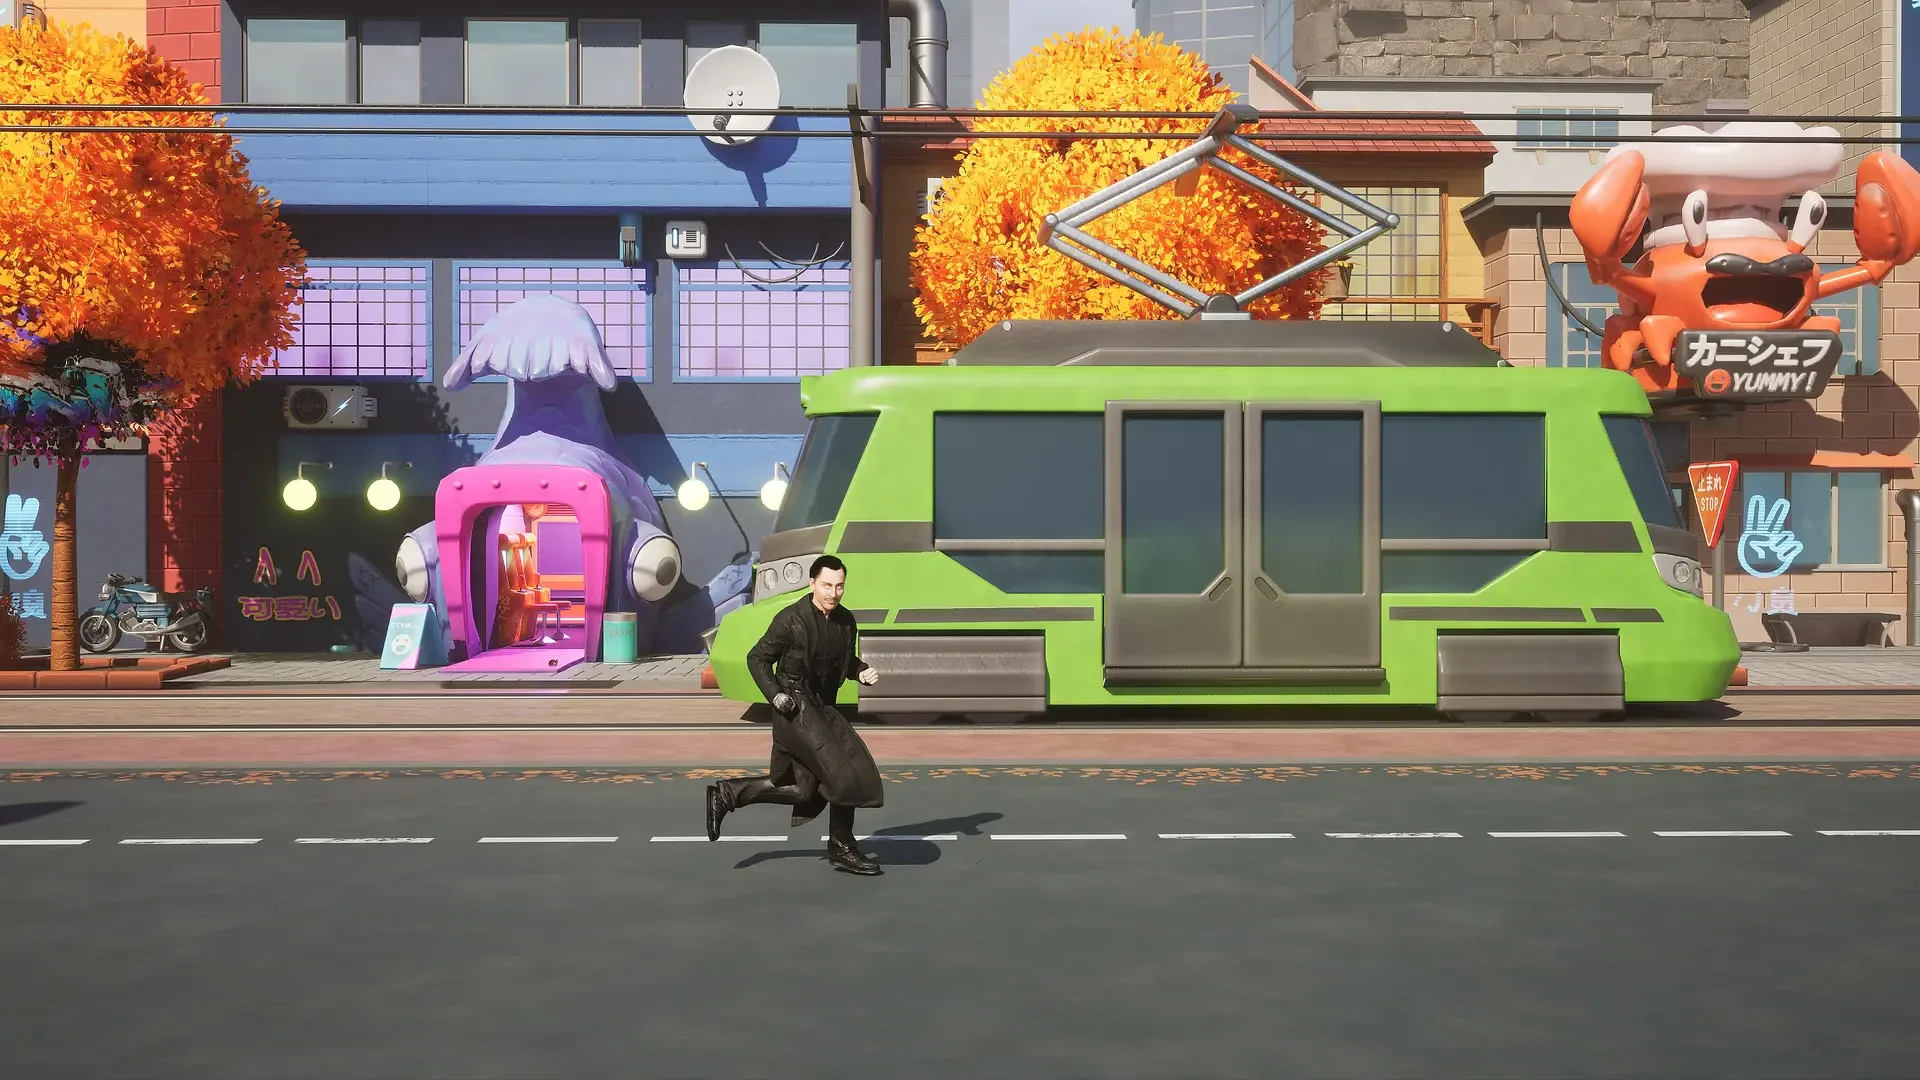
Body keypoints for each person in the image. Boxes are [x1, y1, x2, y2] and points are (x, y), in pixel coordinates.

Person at [706, 555, 886, 875]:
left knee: (803, 790)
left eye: (839, 586)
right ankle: (842, 845)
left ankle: (728, 794)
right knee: (844, 771)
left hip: (823, 709)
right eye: (827, 585)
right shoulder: (790, 619)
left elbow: (844, 661)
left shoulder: (846, 622)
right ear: (812, 583)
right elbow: (757, 658)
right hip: (794, 708)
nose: (833, 593)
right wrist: (775, 695)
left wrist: (860, 670)